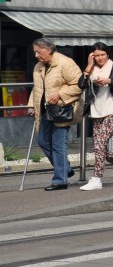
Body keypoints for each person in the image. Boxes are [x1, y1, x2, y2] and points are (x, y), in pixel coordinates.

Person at [27, 37, 82, 190]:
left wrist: (60, 94)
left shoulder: (65, 63)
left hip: (61, 110)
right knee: (43, 141)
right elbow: (37, 88)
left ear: (49, 49)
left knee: (59, 145)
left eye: (38, 52)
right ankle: (66, 169)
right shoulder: (39, 66)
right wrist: (32, 104)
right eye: (35, 52)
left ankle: (60, 181)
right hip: (45, 111)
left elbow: (79, 84)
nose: (36, 55)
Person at [78, 42, 113, 190]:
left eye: (103, 55)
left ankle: (97, 178)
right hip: (96, 112)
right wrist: (89, 66)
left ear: (108, 54)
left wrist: (110, 81)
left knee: (99, 145)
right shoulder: (92, 69)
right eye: (96, 56)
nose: (100, 58)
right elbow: (81, 85)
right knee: (99, 147)